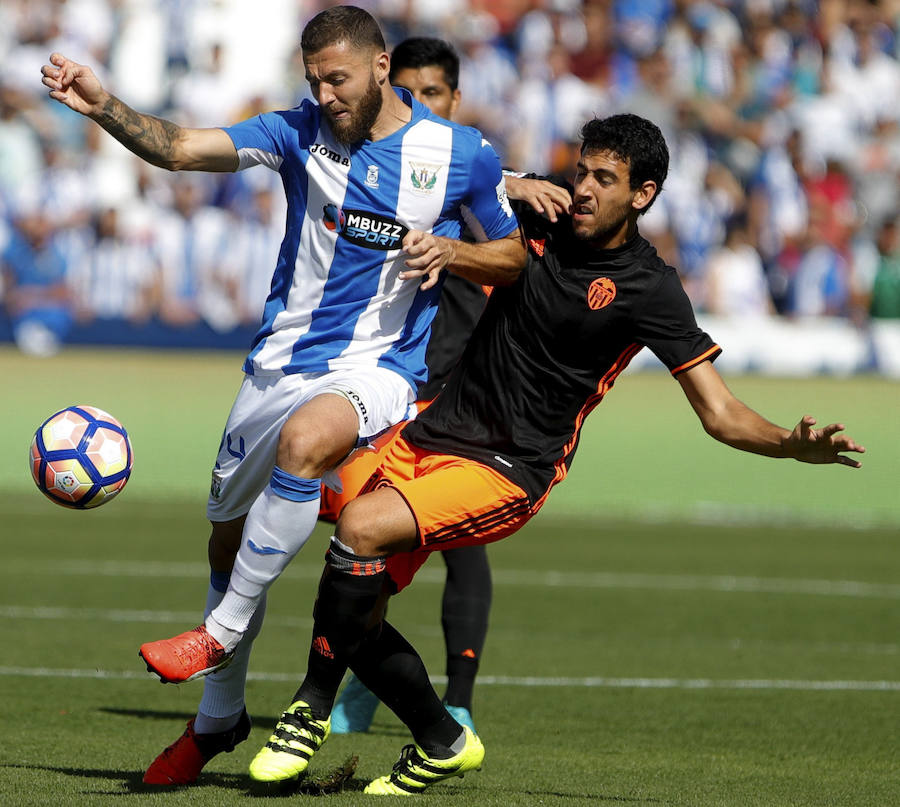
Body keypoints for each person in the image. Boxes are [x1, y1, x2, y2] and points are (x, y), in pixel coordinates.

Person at [246, 113, 865, 795]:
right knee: (351, 602)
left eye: (606, 178)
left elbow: (718, 413)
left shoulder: (649, 286)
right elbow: (439, 191)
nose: (586, 189)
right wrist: (512, 182)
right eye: (581, 172)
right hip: (430, 436)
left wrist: (789, 443)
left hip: (509, 468)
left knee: (360, 530)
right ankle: (443, 739)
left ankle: (305, 708)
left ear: (644, 194)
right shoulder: (536, 218)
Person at [41, 5, 526, 786]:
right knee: (224, 541)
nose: (327, 95)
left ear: (379, 67)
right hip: (278, 363)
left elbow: (513, 256)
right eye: (315, 81)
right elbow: (181, 149)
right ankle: (219, 719)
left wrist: (458, 250)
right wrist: (103, 106)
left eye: (338, 78)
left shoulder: (455, 153)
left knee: (309, 443)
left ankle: (221, 631)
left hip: (380, 368)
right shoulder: (295, 130)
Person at [323, 35, 573, 738]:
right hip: (393, 380)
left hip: (463, 392)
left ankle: (458, 698)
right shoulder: (378, 167)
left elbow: (509, 232)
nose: (418, 105)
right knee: (363, 534)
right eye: (407, 92)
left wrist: (516, 181)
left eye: (431, 93)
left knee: (462, 545)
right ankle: (370, 682)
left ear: (454, 100)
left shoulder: (473, 170)